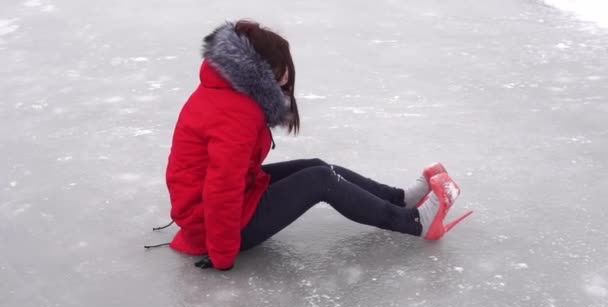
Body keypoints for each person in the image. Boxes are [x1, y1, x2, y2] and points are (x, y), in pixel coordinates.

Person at [164, 20, 472, 271]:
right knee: (319, 181)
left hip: (220, 207)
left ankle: (401, 199)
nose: (287, 72)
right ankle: (415, 223)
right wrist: (220, 254)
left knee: (316, 167)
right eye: (281, 66)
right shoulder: (236, 113)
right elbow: (222, 188)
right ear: (260, 69)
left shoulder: (226, 91)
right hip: (216, 226)